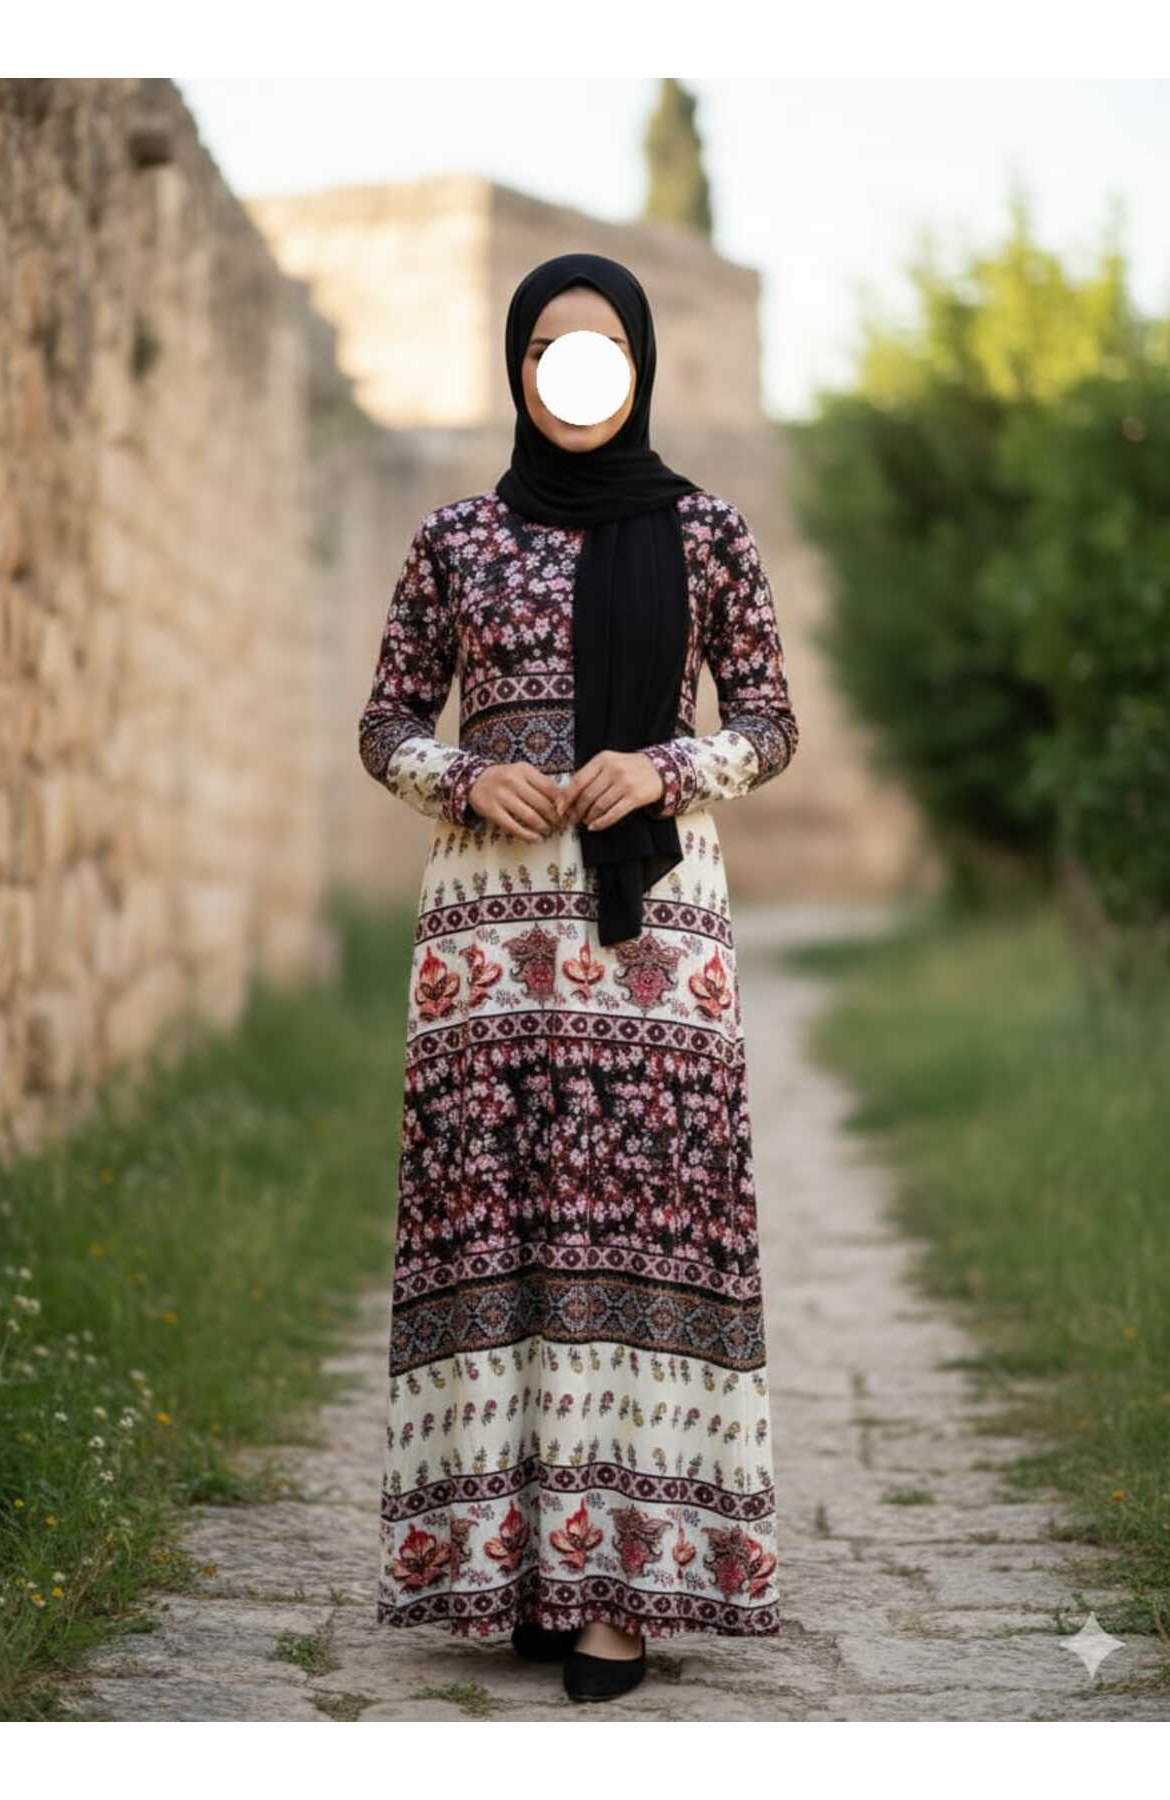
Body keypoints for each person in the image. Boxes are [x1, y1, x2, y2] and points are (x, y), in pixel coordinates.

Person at [358, 250, 799, 1704]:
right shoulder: (455, 539)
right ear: (518, 367)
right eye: (549, 350)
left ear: (642, 363)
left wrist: (665, 767)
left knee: (640, 1239)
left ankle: (620, 1592)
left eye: (600, 349)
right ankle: (517, 1571)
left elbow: (770, 723)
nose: (575, 373)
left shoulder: (708, 532)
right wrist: (463, 774)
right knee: (506, 1238)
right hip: (487, 949)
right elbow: (385, 723)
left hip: (653, 944)